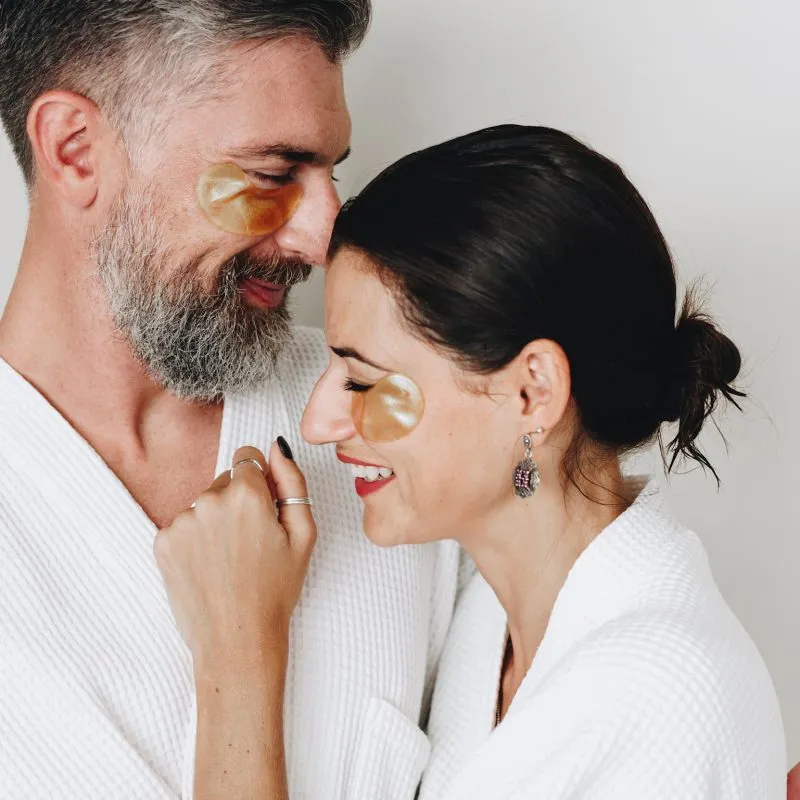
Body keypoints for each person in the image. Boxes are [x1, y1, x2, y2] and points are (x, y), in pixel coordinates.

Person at [156, 125, 787, 798]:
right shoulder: (491, 620)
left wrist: (238, 654)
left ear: (532, 391)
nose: (318, 424)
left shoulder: (663, 704)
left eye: (364, 382)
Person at [0, 3, 465, 798]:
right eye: (273, 176)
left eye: (331, 175)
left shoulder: (405, 420)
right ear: (75, 151)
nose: (325, 242)